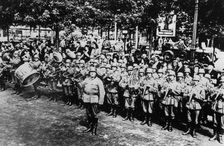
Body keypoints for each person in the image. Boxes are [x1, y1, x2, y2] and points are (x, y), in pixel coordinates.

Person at [80, 66, 105, 135]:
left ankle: (94, 129)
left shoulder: (98, 81)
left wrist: (100, 102)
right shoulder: (86, 79)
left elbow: (102, 92)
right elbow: (81, 85)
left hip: (94, 99)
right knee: (88, 114)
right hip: (87, 98)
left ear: (96, 73)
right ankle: (90, 127)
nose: (92, 73)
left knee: (94, 114)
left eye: (93, 72)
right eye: (91, 72)